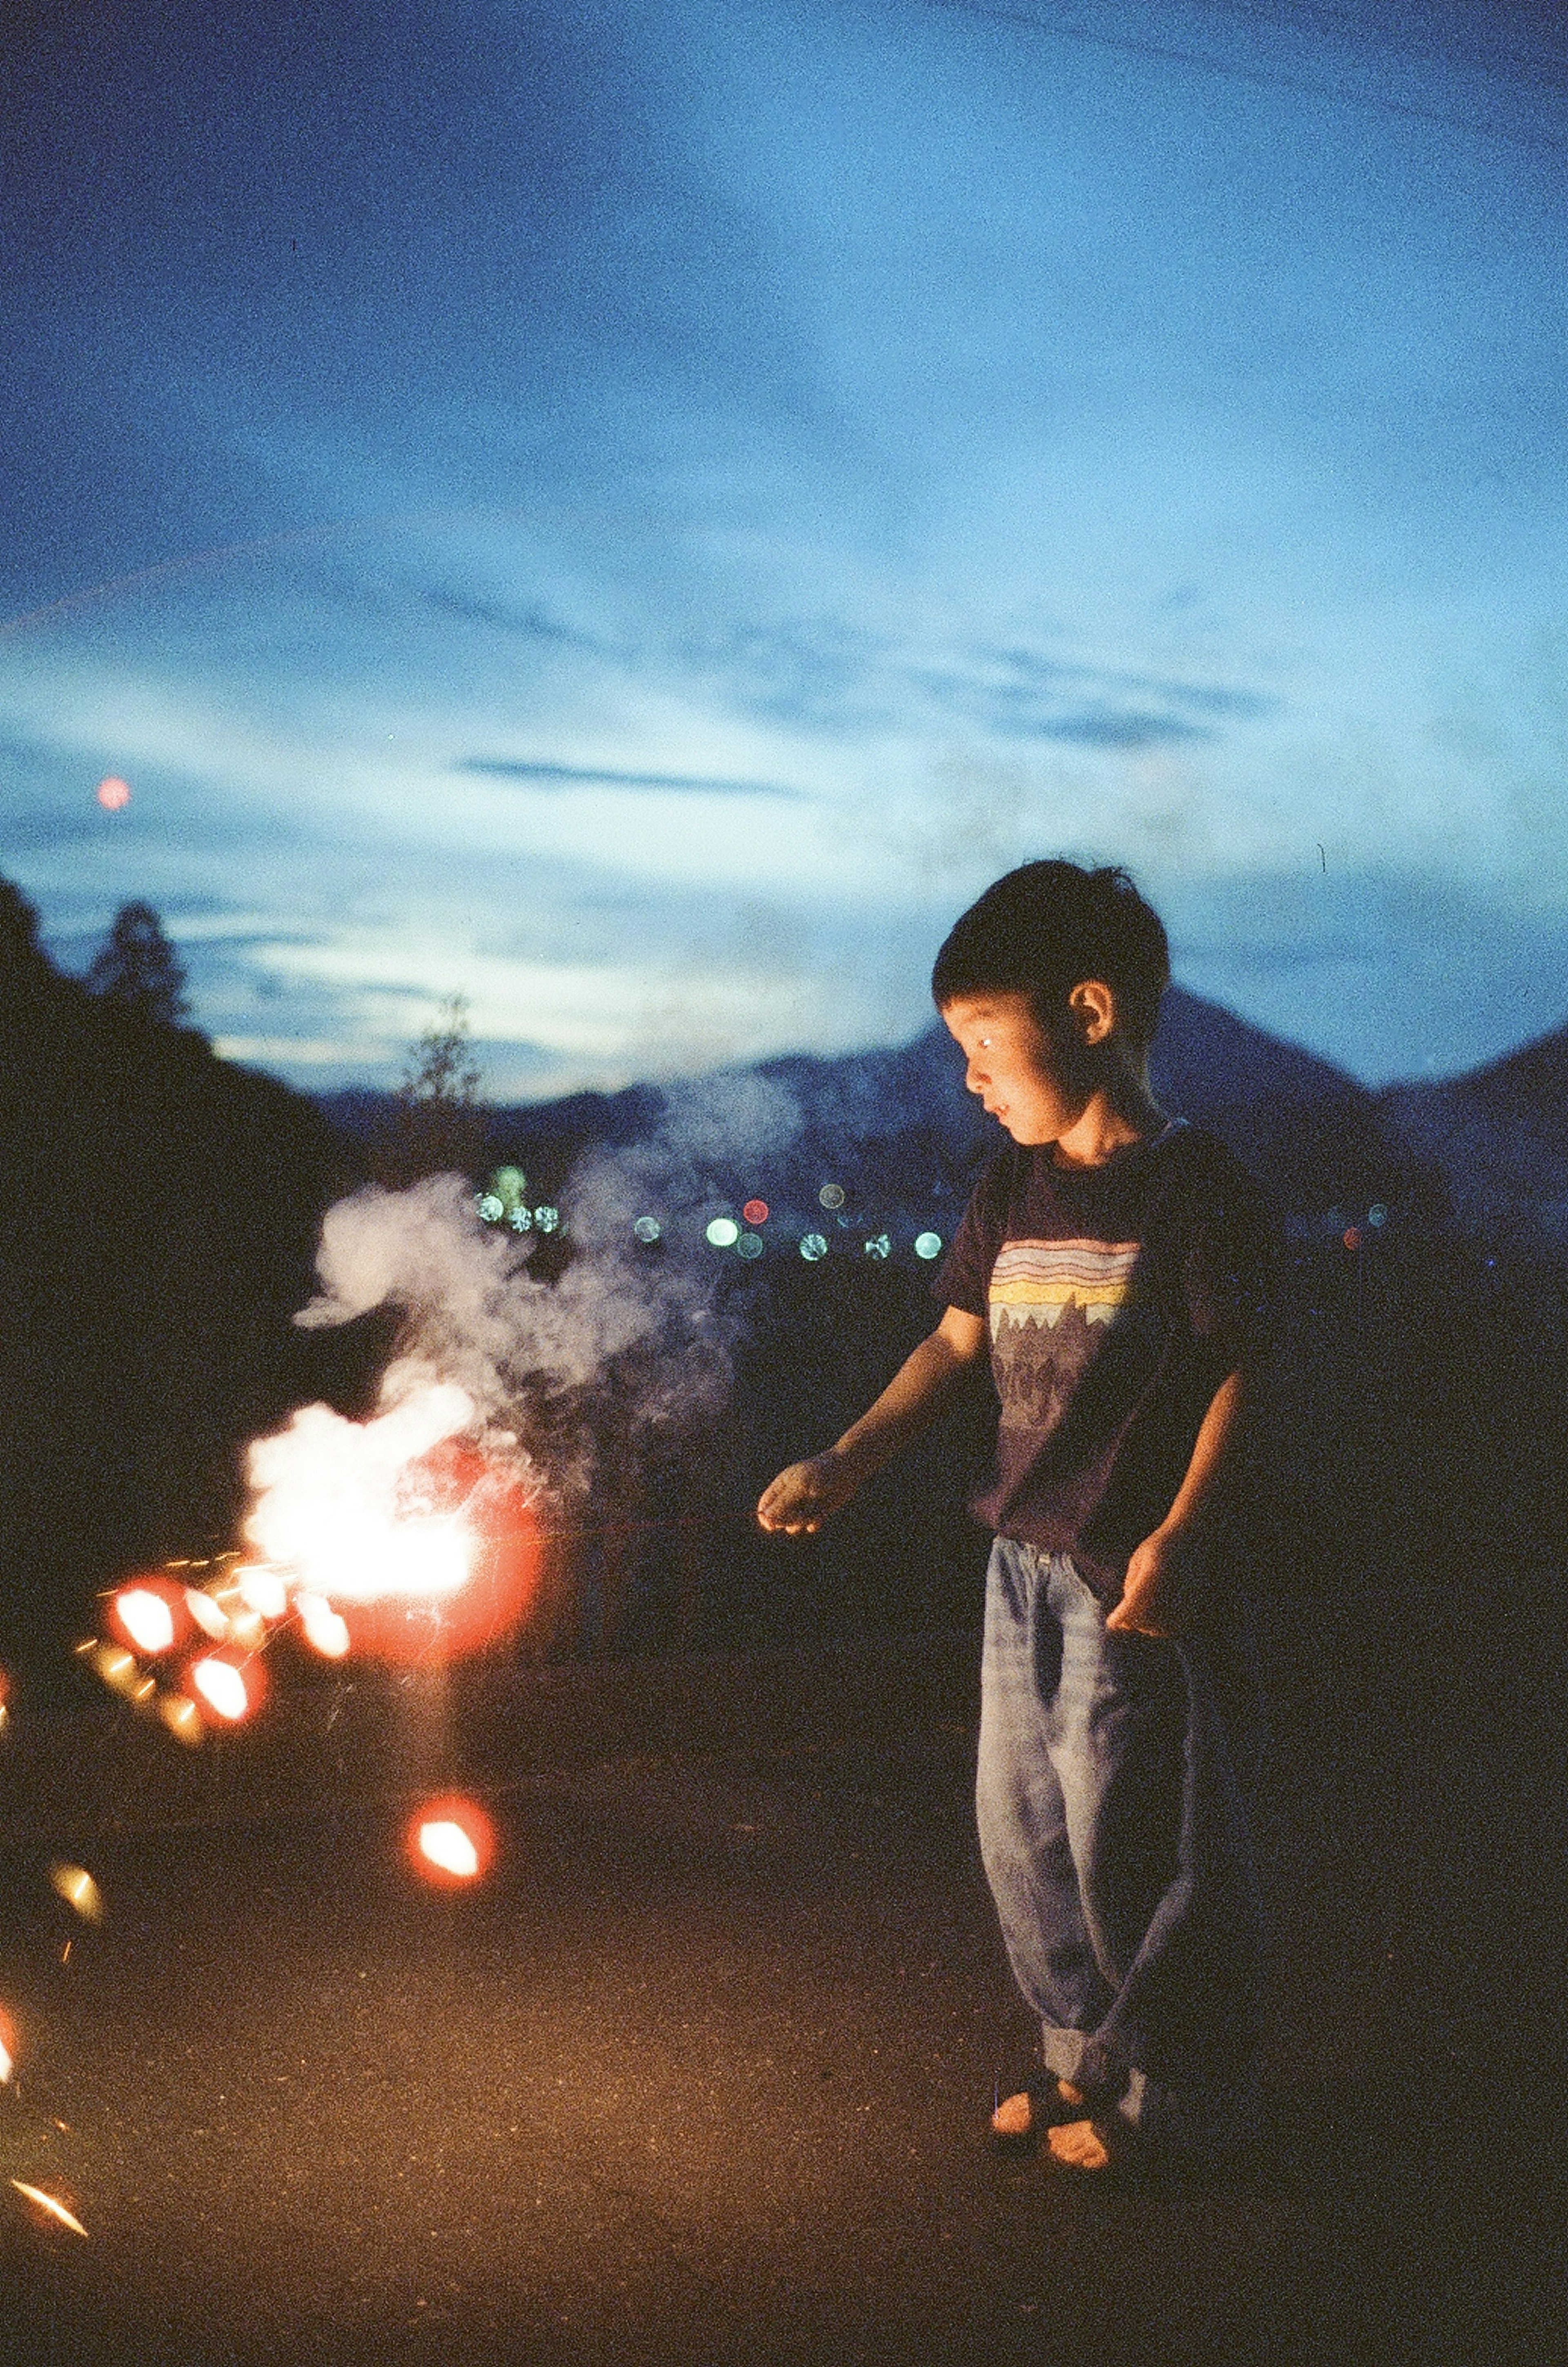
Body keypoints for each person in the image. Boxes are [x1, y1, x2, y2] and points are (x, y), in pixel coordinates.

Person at [756, 859, 1273, 2173]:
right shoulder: (1012, 1186)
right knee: (1022, 1831)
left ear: (1090, 1012)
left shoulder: (1199, 1189)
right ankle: (1077, 2062)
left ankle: (1165, 2094)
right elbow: (951, 1347)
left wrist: (1186, 1531)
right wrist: (850, 1455)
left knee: (1129, 1843)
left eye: (985, 1041)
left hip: (1124, 1572)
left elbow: (1242, 1373)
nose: (973, 1077)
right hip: (1020, 1568)